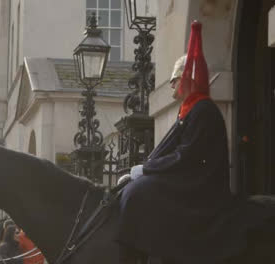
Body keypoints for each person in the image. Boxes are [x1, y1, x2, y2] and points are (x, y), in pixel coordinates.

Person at [114, 21, 275, 264]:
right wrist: (144, 168)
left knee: (139, 193)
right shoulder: (189, 109)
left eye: (175, 79)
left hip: (199, 186)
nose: (170, 86)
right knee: (136, 189)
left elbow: (185, 156)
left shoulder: (203, 110)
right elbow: (170, 151)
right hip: (187, 179)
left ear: (187, 79)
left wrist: (147, 170)